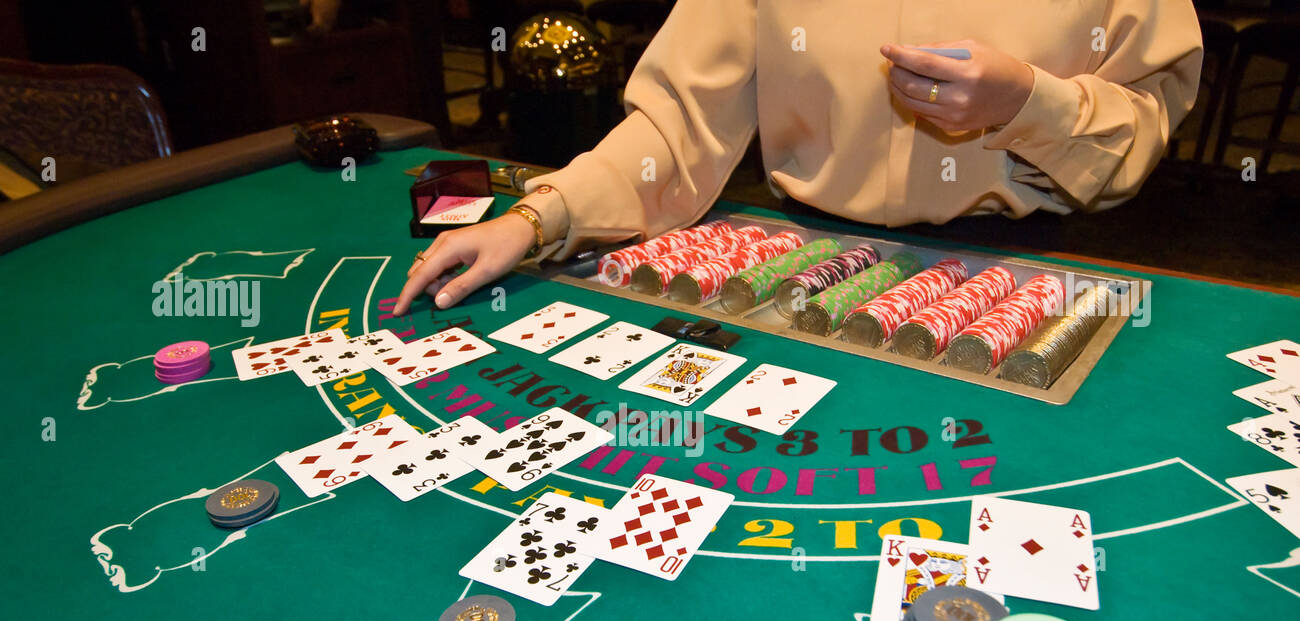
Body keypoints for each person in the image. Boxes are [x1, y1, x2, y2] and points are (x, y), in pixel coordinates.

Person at [395, 0, 1202, 316]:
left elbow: (1139, 134)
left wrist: (1029, 104)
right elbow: (678, 129)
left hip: (1017, 280)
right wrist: (540, 215)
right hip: (798, 275)